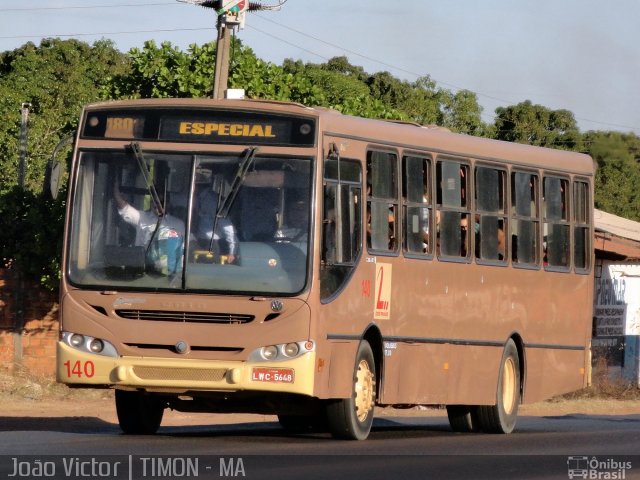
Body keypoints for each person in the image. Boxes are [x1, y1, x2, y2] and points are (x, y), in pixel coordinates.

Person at [113, 181, 185, 274]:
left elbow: (185, 248)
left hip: (169, 274)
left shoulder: (178, 224)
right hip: (143, 271)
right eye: (154, 201)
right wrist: (115, 188)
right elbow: (124, 208)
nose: (157, 205)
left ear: (168, 204)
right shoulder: (141, 217)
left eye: (161, 202)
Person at [195, 187, 239, 264]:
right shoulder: (199, 197)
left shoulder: (212, 201)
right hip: (198, 240)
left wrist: (232, 252)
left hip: (212, 243)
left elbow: (227, 228)